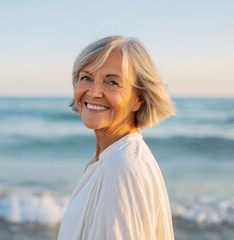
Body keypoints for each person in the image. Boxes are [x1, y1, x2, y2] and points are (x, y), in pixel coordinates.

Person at [58, 35, 175, 240]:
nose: (94, 92)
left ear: (139, 98)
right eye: (86, 77)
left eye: (112, 82)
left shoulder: (122, 166)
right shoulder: (108, 159)